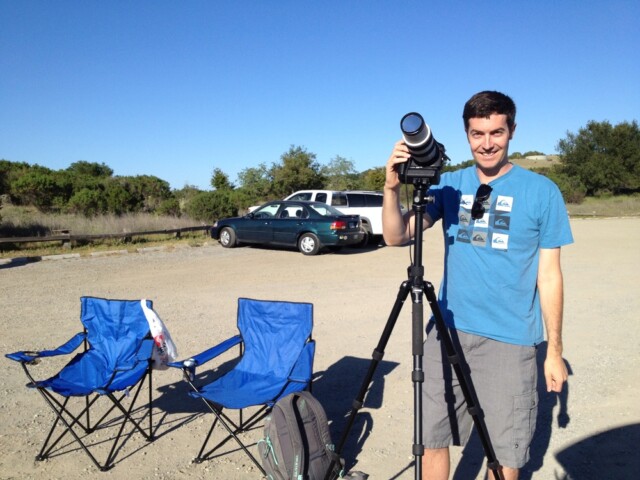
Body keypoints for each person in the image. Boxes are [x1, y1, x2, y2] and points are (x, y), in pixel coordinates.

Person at [382, 91, 573, 480]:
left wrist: (554, 351)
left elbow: (550, 275)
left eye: (496, 132)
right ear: (467, 134)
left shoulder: (542, 191)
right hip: (447, 330)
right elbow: (397, 236)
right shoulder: (448, 184)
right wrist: (390, 188)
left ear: (512, 131)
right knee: (432, 437)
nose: (487, 143)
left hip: (510, 338)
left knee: (504, 453)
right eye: (477, 134)